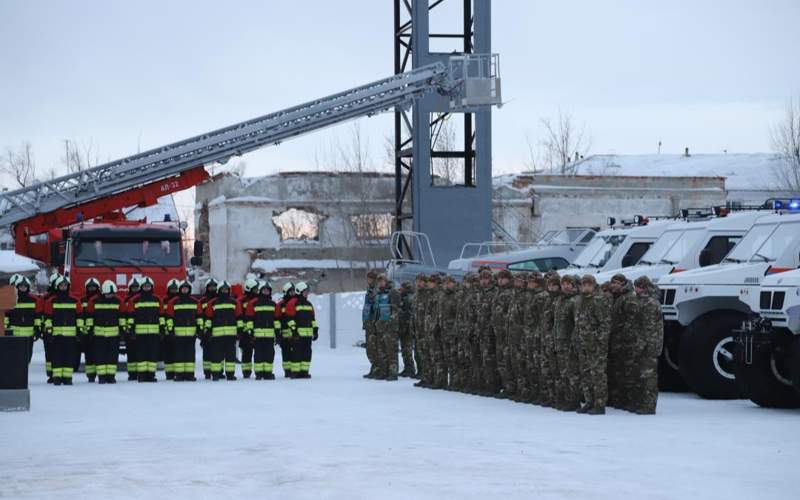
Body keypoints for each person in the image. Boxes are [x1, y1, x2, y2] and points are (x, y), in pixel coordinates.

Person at [573, 275, 611, 414]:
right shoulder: (579, 301)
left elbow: (605, 324)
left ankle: (599, 405)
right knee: (585, 374)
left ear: (594, 286)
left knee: (598, 375)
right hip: (582, 344)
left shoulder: (599, 301)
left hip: (595, 346)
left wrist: (599, 342)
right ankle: (589, 402)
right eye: (584, 285)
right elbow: (577, 323)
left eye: (589, 285)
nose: (586, 287)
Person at [629, 276, 664, 414]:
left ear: (643, 287)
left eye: (637, 286)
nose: (635, 289)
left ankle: (649, 406)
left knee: (648, 376)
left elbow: (648, 328)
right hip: (643, 343)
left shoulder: (649, 303)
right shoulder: (641, 301)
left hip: (649, 345)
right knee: (641, 375)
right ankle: (641, 403)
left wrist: (640, 345)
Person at [44, 276, 82, 386]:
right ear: (57, 286)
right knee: (57, 356)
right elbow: (48, 318)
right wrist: (49, 331)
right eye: (61, 285)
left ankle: (67, 377)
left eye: (65, 285)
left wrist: (79, 330)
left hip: (71, 335)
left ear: (68, 286)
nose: (63, 287)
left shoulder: (75, 300)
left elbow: (79, 317)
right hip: (56, 335)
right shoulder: (51, 301)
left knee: (69, 356)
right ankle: (57, 377)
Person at [608, 273, 638, 409]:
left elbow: (631, 321)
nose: (613, 285)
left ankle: (630, 401)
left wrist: (626, 338)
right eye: (612, 283)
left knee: (628, 372)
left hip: (625, 341)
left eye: (616, 283)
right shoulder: (615, 297)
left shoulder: (628, 298)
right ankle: (619, 399)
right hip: (615, 340)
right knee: (617, 371)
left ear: (622, 283)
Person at [86, 280, 124, 384]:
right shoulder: (94, 301)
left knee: (112, 357)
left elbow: (122, 318)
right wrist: (89, 330)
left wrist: (122, 331)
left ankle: (111, 376)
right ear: (103, 292)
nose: (110, 296)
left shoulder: (118, 301)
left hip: (113, 335)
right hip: (99, 335)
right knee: (100, 356)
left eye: (111, 294)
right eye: (108, 294)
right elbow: (89, 317)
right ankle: (102, 376)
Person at [205, 280, 242, 381]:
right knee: (216, 355)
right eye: (223, 289)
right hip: (217, 335)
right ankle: (216, 374)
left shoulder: (234, 302)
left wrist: (240, 330)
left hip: (231, 335)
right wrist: (208, 330)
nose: (225, 291)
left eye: (226, 289)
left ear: (229, 290)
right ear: (219, 290)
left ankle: (230, 374)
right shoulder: (212, 303)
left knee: (231, 356)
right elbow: (209, 318)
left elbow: (239, 318)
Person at [554, 275, 580, 411]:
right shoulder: (560, 300)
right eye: (563, 283)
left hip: (570, 342)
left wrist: (574, 342)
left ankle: (573, 400)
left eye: (569, 283)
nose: (566, 286)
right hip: (560, 341)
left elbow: (577, 324)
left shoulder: (575, 301)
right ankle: (565, 398)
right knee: (563, 372)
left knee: (572, 372)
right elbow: (556, 323)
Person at [165, 280, 201, 381]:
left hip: (191, 334)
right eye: (183, 288)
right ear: (180, 289)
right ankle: (179, 374)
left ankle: (189, 374)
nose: (185, 290)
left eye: (187, 288)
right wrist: (171, 330)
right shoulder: (173, 302)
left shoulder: (195, 302)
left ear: (189, 289)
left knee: (190, 355)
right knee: (179, 355)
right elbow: (169, 318)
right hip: (178, 334)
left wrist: (199, 329)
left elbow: (199, 317)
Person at [129, 276, 163, 382]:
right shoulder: (134, 300)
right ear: (142, 287)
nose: (147, 288)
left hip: (154, 333)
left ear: (151, 287)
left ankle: (151, 375)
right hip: (140, 333)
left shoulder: (157, 299)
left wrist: (161, 328)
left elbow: (161, 316)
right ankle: (142, 375)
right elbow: (131, 316)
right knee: (141, 354)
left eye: (148, 286)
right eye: (145, 286)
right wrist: (131, 329)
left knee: (152, 354)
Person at [244, 281, 280, 380]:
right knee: (258, 354)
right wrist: (250, 331)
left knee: (269, 354)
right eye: (264, 290)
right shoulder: (253, 304)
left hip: (269, 335)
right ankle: (259, 373)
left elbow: (276, 320)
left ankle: (268, 373)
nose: (266, 292)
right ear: (260, 291)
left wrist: (277, 333)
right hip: (258, 335)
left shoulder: (274, 305)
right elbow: (249, 319)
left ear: (270, 292)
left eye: (267, 290)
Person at [5, 276, 41, 364]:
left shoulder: (34, 300)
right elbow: (6, 316)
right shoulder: (11, 299)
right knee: (14, 356)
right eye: (21, 286)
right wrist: (6, 328)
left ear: (28, 287)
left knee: (27, 356)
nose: (23, 288)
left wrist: (37, 328)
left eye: (25, 286)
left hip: (29, 334)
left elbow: (37, 316)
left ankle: (23, 374)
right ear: (17, 287)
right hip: (14, 334)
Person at [521, 272, 545, 403]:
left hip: (537, 335)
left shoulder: (541, 296)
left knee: (538, 365)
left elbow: (542, 318)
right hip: (529, 334)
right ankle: (534, 392)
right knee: (531, 365)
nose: (528, 283)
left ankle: (542, 394)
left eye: (532, 281)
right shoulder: (530, 295)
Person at [285, 281, 317, 378]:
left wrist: (315, 330)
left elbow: (313, 319)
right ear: (299, 291)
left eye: (307, 292)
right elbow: (289, 319)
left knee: (307, 353)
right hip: (297, 335)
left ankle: (304, 372)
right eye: (305, 291)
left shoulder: (309, 304)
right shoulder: (292, 303)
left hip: (307, 335)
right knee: (296, 353)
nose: (307, 293)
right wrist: (294, 331)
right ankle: (295, 372)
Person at [539, 272, 562, 407]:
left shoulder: (559, 300)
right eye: (550, 285)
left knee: (557, 370)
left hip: (557, 339)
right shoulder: (548, 299)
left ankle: (559, 397)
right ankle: (550, 395)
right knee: (547, 369)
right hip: (546, 338)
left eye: (554, 285)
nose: (552, 288)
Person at [491, 269, 515, 398]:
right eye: (499, 278)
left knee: (507, 361)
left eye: (504, 278)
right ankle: (505, 386)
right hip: (498, 332)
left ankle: (510, 388)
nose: (501, 280)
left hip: (507, 333)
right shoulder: (498, 292)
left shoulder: (510, 293)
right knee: (500, 361)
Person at [372, 275, 401, 380]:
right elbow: (377, 310)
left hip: (390, 327)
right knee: (381, 350)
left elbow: (396, 309)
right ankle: (384, 372)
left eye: (382, 281)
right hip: (380, 326)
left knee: (391, 350)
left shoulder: (393, 293)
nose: (380, 283)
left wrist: (391, 322)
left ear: (386, 281)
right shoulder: (378, 294)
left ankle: (393, 373)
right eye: (379, 281)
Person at [477, 269, 499, 396]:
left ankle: (493, 386)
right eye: (482, 278)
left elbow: (494, 314)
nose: (484, 281)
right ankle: (487, 384)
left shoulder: (494, 292)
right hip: (481, 330)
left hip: (491, 331)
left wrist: (491, 329)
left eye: (486, 278)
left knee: (491, 359)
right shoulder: (480, 293)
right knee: (484, 359)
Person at [505, 272, 527, 400]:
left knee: (521, 364)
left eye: (520, 281)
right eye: (516, 281)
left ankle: (524, 391)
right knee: (513, 363)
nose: (517, 283)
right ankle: (516, 390)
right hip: (511, 334)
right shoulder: (514, 295)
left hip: (522, 336)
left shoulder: (525, 296)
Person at [439, 275, 459, 390]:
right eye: (445, 283)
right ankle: (450, 380)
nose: (447, 285)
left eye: (449, 283)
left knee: (454, 357)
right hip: (444, 331)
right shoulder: (443, 296)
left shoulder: (456, 296)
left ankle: (455, 381)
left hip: (453, 331)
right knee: (447, 357)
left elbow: (459, 315)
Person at [238, 278, 260, 379]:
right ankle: (246, 372)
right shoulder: (241, 301)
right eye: (255, 289)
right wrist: (242, 330)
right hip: (245, 332)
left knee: (258, 352)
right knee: (246, 352)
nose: (257, 291)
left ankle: (258, 371)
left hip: (257, 330)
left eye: (257, 289)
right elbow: (239, 316)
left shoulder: (259, 300)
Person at [412, 274, 430, 387]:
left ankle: (429, 377)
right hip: (418, 329)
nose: (418, 283)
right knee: (420, 354)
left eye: (421, 281)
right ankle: (424, 376)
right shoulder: (417, 296)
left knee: (428, 354)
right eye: (417, 281)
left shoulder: (428, 295)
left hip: (427, 329)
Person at [199, 278, 218, 379]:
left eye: (214, 286)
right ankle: (207, 372)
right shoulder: (202, 301)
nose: (212, 288)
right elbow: (199, 315)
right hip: (206, 330)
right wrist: (202, 330)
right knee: (207, 352)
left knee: (218, 352)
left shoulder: (219, 299)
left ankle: (218, 371)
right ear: (207, 288)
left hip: (218, 329)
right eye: (210, 287)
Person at [275, 282, 296, 378]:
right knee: (286, 353)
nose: (292, 294)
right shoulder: (280, 305)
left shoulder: (296, 303)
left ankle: (294, 370)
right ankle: (287, 371)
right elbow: (277, 320)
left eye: (293, 292)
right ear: (286, 292)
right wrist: (278, 334)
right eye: (290, 292)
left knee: (295, 352)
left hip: (296, 334)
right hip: (285, 334)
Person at [161, 278, 181, 380]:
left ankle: (177, 372)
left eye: (175, 289)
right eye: (172, 289)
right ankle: (169, 373)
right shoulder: (163, 300)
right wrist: (164, 329)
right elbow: (161, 315)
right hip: (166, 332)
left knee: (177, 352)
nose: (174, 291)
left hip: (178, 331)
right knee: (168, 353)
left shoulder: (180, 300)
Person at [123, 277, 141, 381]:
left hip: (139, 330)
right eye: (133, 287)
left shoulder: (141, 299)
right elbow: (124, 315)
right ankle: (132, 374)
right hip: (130, 331)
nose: (135, 289)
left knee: (140, 352)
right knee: (131, 353)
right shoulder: (125, 300)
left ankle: (139, 372)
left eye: (136, 287)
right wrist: (127, 329)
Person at [362, 270, 379, 378]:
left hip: (373, 323)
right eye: (367, 278)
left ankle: (377, 369)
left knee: (373, 347)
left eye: (370, 278)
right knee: (369, 347)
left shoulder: (375, 291)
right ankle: (374, 368)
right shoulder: (369, 290)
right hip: (368, 322)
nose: (368, 280)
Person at [398, 281, 416, 377]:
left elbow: (409, 313)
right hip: (402, 325)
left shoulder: (409, 298)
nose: (401, 289)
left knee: (407, 349)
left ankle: (410, 368)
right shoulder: (403, 297)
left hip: (408, 327)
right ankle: (407, 367)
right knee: (404, 349)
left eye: (402, 288)